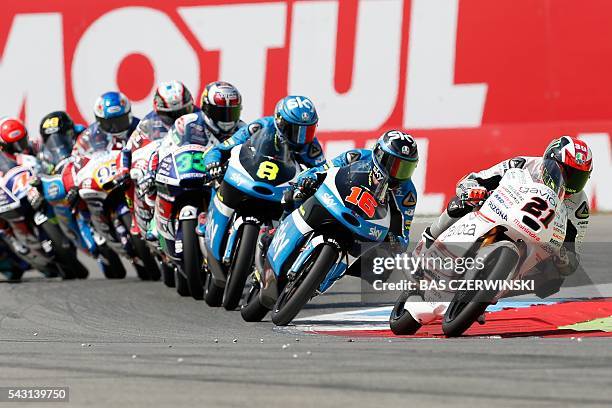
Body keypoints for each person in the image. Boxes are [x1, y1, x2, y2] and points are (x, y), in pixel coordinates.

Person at [424, 135, 592, 290]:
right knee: (459, 204)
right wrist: (474, 190)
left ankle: (486, 296)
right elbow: (473, 179)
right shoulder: (522, 164)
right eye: (566, 174)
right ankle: (427, 244)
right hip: (500, 212)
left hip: (536, 239)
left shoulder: (579, 205)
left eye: (579, 178)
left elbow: (573, 255)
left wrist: (563, 256)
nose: (570, 183)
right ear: (548, 161)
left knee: (555, 277)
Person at [195, 95, 326, 234]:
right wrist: (213, 164)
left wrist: (310, 183)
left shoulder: (312, 147)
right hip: (252, 173)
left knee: (302, 200)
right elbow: (221, 149)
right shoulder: (260, 126)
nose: (301, 138)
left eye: (308, 131)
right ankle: (209, 218)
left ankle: (280, 235)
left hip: (282, 186)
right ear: (279, 122)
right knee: (219, 177)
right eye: (294, 130)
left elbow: (322, 171)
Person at [143, 81, 245, 240]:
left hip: (221, 180)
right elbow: (163, 150)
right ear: (206, 109)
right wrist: (150, 172)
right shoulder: (187, 122)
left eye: (231, 113)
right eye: (219, 113)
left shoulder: (243, 129)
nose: (226, 119)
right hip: (189, 173)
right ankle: (155, 221)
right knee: (153, 183)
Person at [295, 129, 418, 250]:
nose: (398, 175)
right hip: (338, 205)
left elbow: (404, 238)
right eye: (394, 165)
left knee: (386, 264)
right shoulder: (356, 156)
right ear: (380, 155)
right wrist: (309, 179)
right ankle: (280, 232)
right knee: (294, 195)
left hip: (369, 230)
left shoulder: (408, 194)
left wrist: (394, 241)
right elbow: (322, 170)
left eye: (405, 169)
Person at [114, 81, 197, 235]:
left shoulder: (200, 116)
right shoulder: (148, 123)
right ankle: (139, 217)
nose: (178, 118)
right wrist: (123, 170)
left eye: (183, 112)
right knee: (135, 176)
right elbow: (127, 150)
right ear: (158, 111)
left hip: (194, 162)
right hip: (163, 165)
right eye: (170, 115)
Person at [72, 91, 139, 157]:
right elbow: (76, 155)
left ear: (129, 116)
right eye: (109, 123)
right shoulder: (91, 134)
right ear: (99, 121)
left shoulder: (139, 128)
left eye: (120, 121)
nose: (115, 127)